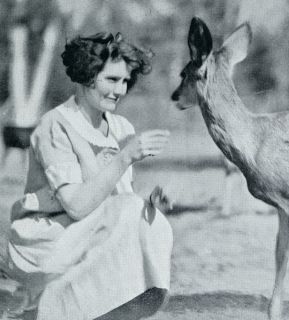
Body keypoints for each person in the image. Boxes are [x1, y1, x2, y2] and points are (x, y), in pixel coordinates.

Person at [5, 32, 174, 320]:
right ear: (87, 76)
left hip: (90, 232)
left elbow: (117, 197)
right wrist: (125, 157)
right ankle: (52, 308)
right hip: (49, 238)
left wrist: (151, 202)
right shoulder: (55, 125)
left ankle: (116, 305)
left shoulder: (120, 127)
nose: (120, 90)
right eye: (111, 79)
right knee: (130, 212)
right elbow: (76, 205)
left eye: (125, 81)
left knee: (150, 220)